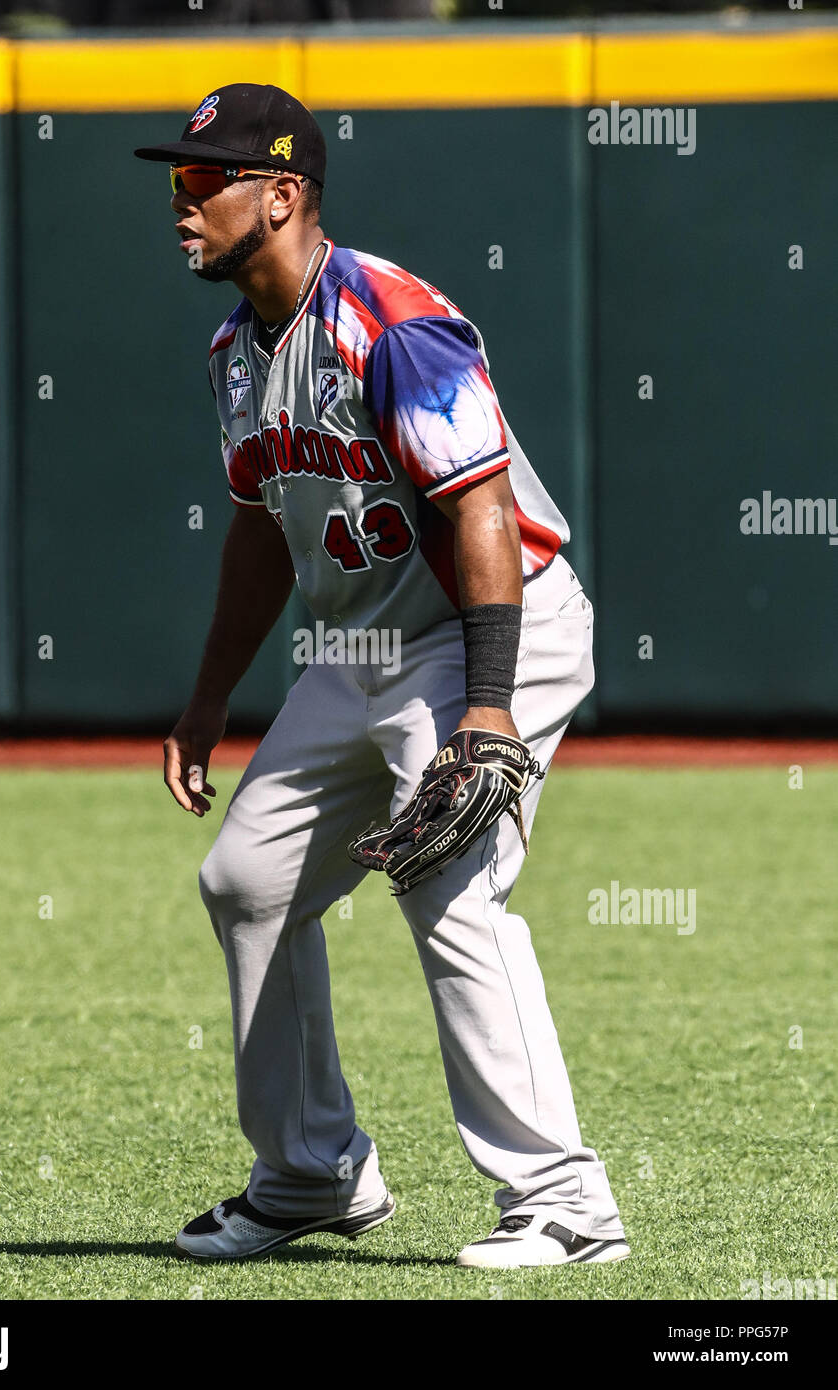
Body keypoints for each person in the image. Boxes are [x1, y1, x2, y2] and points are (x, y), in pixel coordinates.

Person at [134, 82, 629, 1268]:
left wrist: (490, 705)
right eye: (177, 184)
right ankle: (312, 1175)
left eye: (204, 182)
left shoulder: (393, 321)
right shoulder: (234, 351)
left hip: (489, 627)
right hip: (358, 647)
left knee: (447, 884)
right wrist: (207, 700)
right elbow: (261, 530)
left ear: (284, 194)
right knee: (246, 882)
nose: (182, 206)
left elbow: (484, 510)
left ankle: (565, 1201)